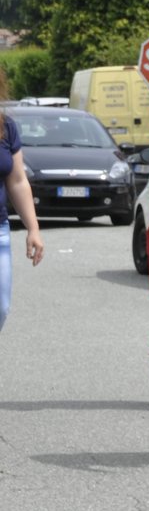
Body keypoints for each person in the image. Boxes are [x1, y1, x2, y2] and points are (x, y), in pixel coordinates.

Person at [0, 71, 45, 333]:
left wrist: (33, 228)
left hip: (0, 232)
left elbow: (17, 181)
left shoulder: (6, 128)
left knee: (1, 307)